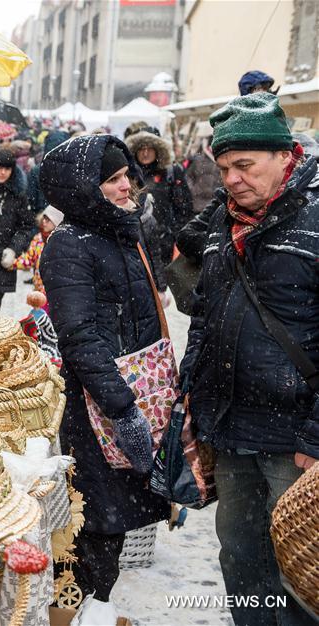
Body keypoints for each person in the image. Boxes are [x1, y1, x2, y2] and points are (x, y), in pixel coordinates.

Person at [180, 92, 317, 626]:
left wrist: (316, 437)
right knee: (241, 559)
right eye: (223, 167)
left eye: (245, 165)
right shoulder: (223, 222)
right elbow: (206, 317)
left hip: (295, 439)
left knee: (300, 571)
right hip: (232, 427)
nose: (232, 178)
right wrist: (192, 396)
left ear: (284, 157)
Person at [38, 135, 170, 621]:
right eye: (112, 179)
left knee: (111, 520)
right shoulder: (69, 247)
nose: (125, 187)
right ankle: (73, 612)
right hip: (94, 408)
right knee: (94, 520)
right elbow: (80, 338)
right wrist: (123, 408)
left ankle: (95, 608)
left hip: (129, 395)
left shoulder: (121, 232)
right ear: (83, 189)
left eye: (125, 177)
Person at [125, 125, 194, 288]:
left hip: (164, 242)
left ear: (158, 150)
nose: (146, 152)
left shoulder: (171, 172)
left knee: (160, 285)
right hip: (137, 240)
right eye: (141, 148)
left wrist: (175, 233)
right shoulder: (128, 174)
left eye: (150, 148)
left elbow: (184, 206)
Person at [0, 146, 35, 314]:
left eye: (7, 169)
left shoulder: (18, 194)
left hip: (2, 257)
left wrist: (13, 249)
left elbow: (26, 226)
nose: (3, 172)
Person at [15, 205, 63, 295]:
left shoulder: (62, 241)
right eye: (43, 218)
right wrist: (12, 262)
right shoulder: (38, 239)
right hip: (39, 292)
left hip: (56, 292)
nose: (44, 222)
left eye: (48, 220)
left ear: (56, 222)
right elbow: (29, 259)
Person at [27, 129, 70, 214]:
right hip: (54, 218)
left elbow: (31, 199)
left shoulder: (37, 170)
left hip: (42, 217)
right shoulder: (69, 171)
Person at [185, 121, 222, 214]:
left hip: (218, 204)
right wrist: (193, 190)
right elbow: (188, 176)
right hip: (198, 203)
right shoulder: (199, 160)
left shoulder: (224, 159)